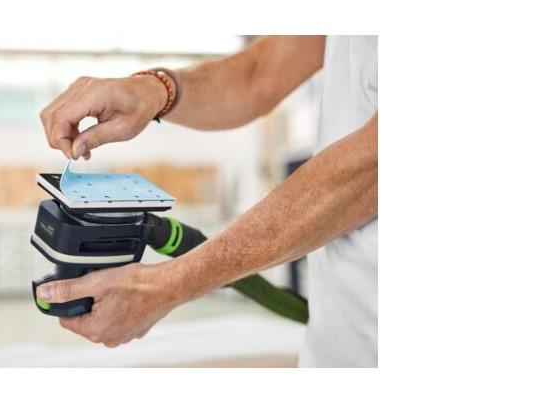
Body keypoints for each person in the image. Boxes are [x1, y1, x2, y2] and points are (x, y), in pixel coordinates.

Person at [37, 35, 378, 367]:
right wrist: (153, 89)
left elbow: (372, 168)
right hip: (337, 331)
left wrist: (166, 285)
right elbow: (260, 72)